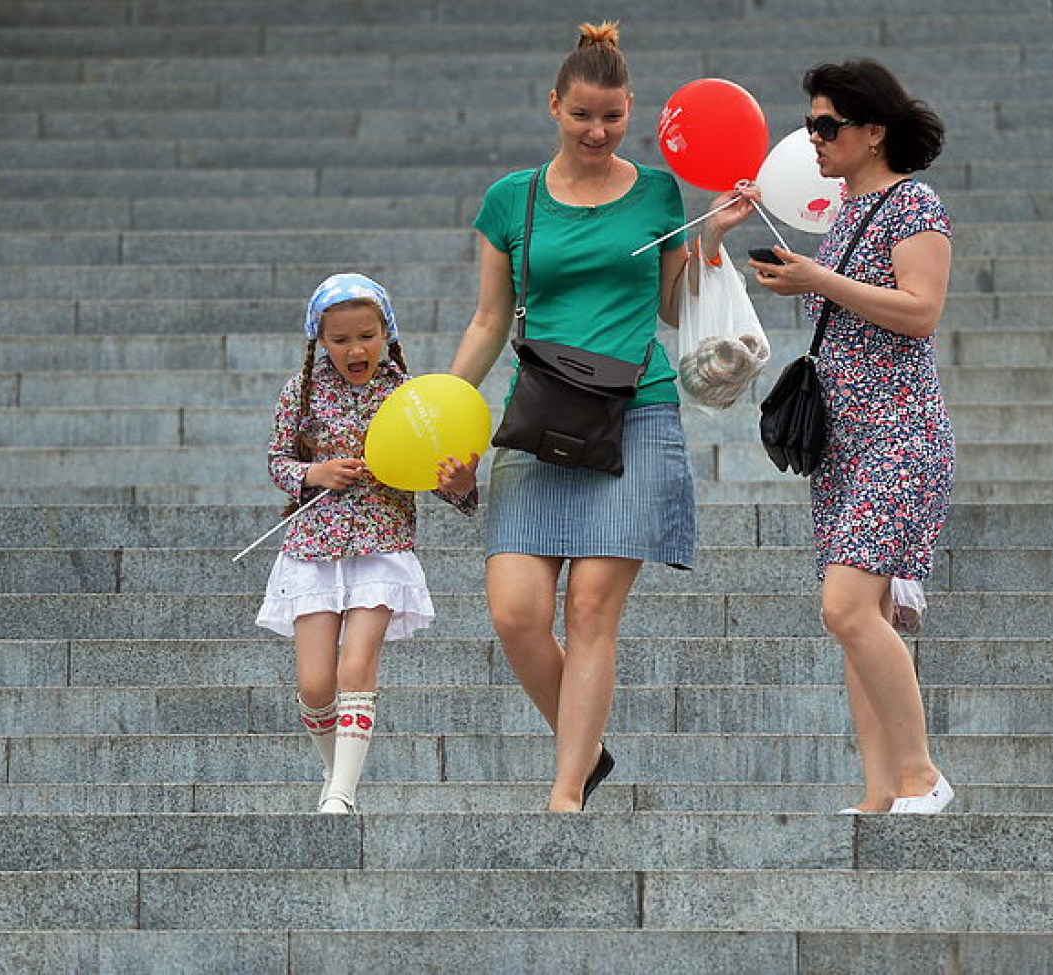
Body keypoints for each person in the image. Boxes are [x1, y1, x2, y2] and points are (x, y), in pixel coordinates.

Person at [448, 21, 696, 812]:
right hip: (541, 414)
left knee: (590, 607)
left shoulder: (660, 192)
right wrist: (448, 423)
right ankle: (585, 753)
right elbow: (489, 321)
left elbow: (671, 306)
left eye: (614, 117)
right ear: (554, 104)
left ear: (632, 111)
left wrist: (708, 242)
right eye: (583, 114)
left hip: (637, 412)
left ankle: (564, 796)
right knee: (516, 611)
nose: (597, 131)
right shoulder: (510, 199)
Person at [703, 58, 955, 814]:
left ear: (874, 131)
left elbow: (921, 309)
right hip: (842, 443)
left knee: (845, 608)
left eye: (827, 125)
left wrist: (819, 280)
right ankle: (881, 791)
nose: (813, 138)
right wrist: (793, 271)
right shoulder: (843, 213)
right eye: (812, 124)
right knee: (861, 619)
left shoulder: (916, 204)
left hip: (900, 434)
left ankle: (921, 774)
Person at [256, 273, 479, 814]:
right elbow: (278, 463)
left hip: (382, 544)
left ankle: (342, 794)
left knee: (357, 665)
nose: (355, 349)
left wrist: (461, 487)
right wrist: (316, 474)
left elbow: (443, 477)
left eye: (366, 335)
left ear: (387, 332)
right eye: (340, 339)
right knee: (314, 685)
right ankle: (337, 774)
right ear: (319, 341)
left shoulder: (413, 398)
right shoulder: (300, 391)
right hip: (313, 547)